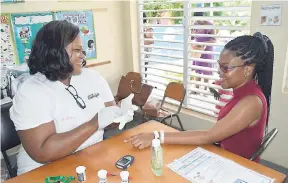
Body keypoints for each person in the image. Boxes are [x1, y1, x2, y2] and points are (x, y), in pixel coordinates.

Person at [9, 20, 136, 175]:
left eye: (82, 50)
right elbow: (42, 152)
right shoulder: (31, 92)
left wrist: (120, 115)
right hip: (43, 169)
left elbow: (108, 121)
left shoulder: (93, 78)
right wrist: (93, 124)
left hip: (89, 157)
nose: (83, 56)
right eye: (77, 50)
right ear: (54, 52)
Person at [125, 32, 274, 162]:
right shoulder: (244, 93)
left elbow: (209, 136)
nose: (219, 72)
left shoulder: (251, 102)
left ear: (247, 70)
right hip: (225, 156)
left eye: (225, 67)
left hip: (236, 166)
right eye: (219, 65)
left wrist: (156, 136)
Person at [191, 12, 216, 92]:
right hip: (198, 50)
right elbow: (191, 37)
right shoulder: (194, 24)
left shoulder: (209, 25)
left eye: (199, 20)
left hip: (207, 50)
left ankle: (205, 89)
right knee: (197, 69)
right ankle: (196, 89)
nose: (197, 22)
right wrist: (194, 43)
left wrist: (203, 44)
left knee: (206, 71)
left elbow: (214, 40)